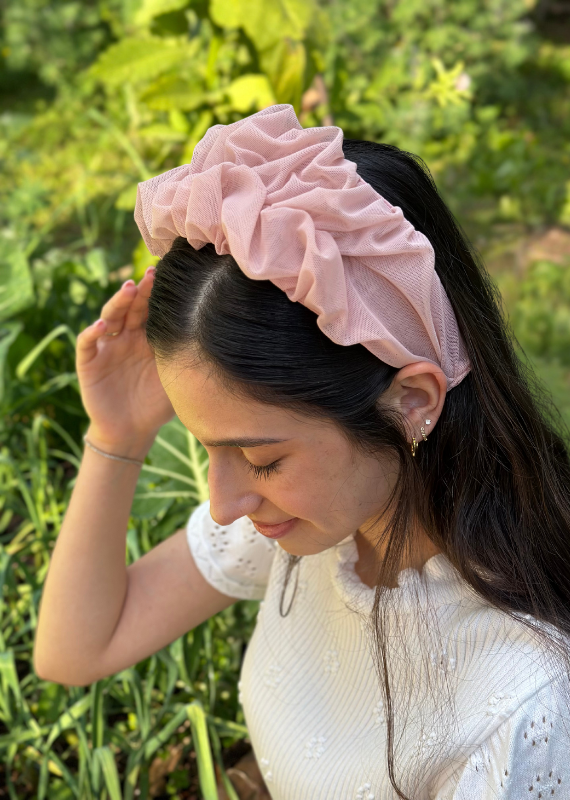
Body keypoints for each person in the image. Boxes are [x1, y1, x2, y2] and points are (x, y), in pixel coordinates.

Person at [34, 105, 570, 800]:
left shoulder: (525, 699)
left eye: (260, 459)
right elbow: (75, 650)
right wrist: (116, 436)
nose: (224, 504)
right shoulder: (321, 528)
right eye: (211, 451)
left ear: (413, 401)